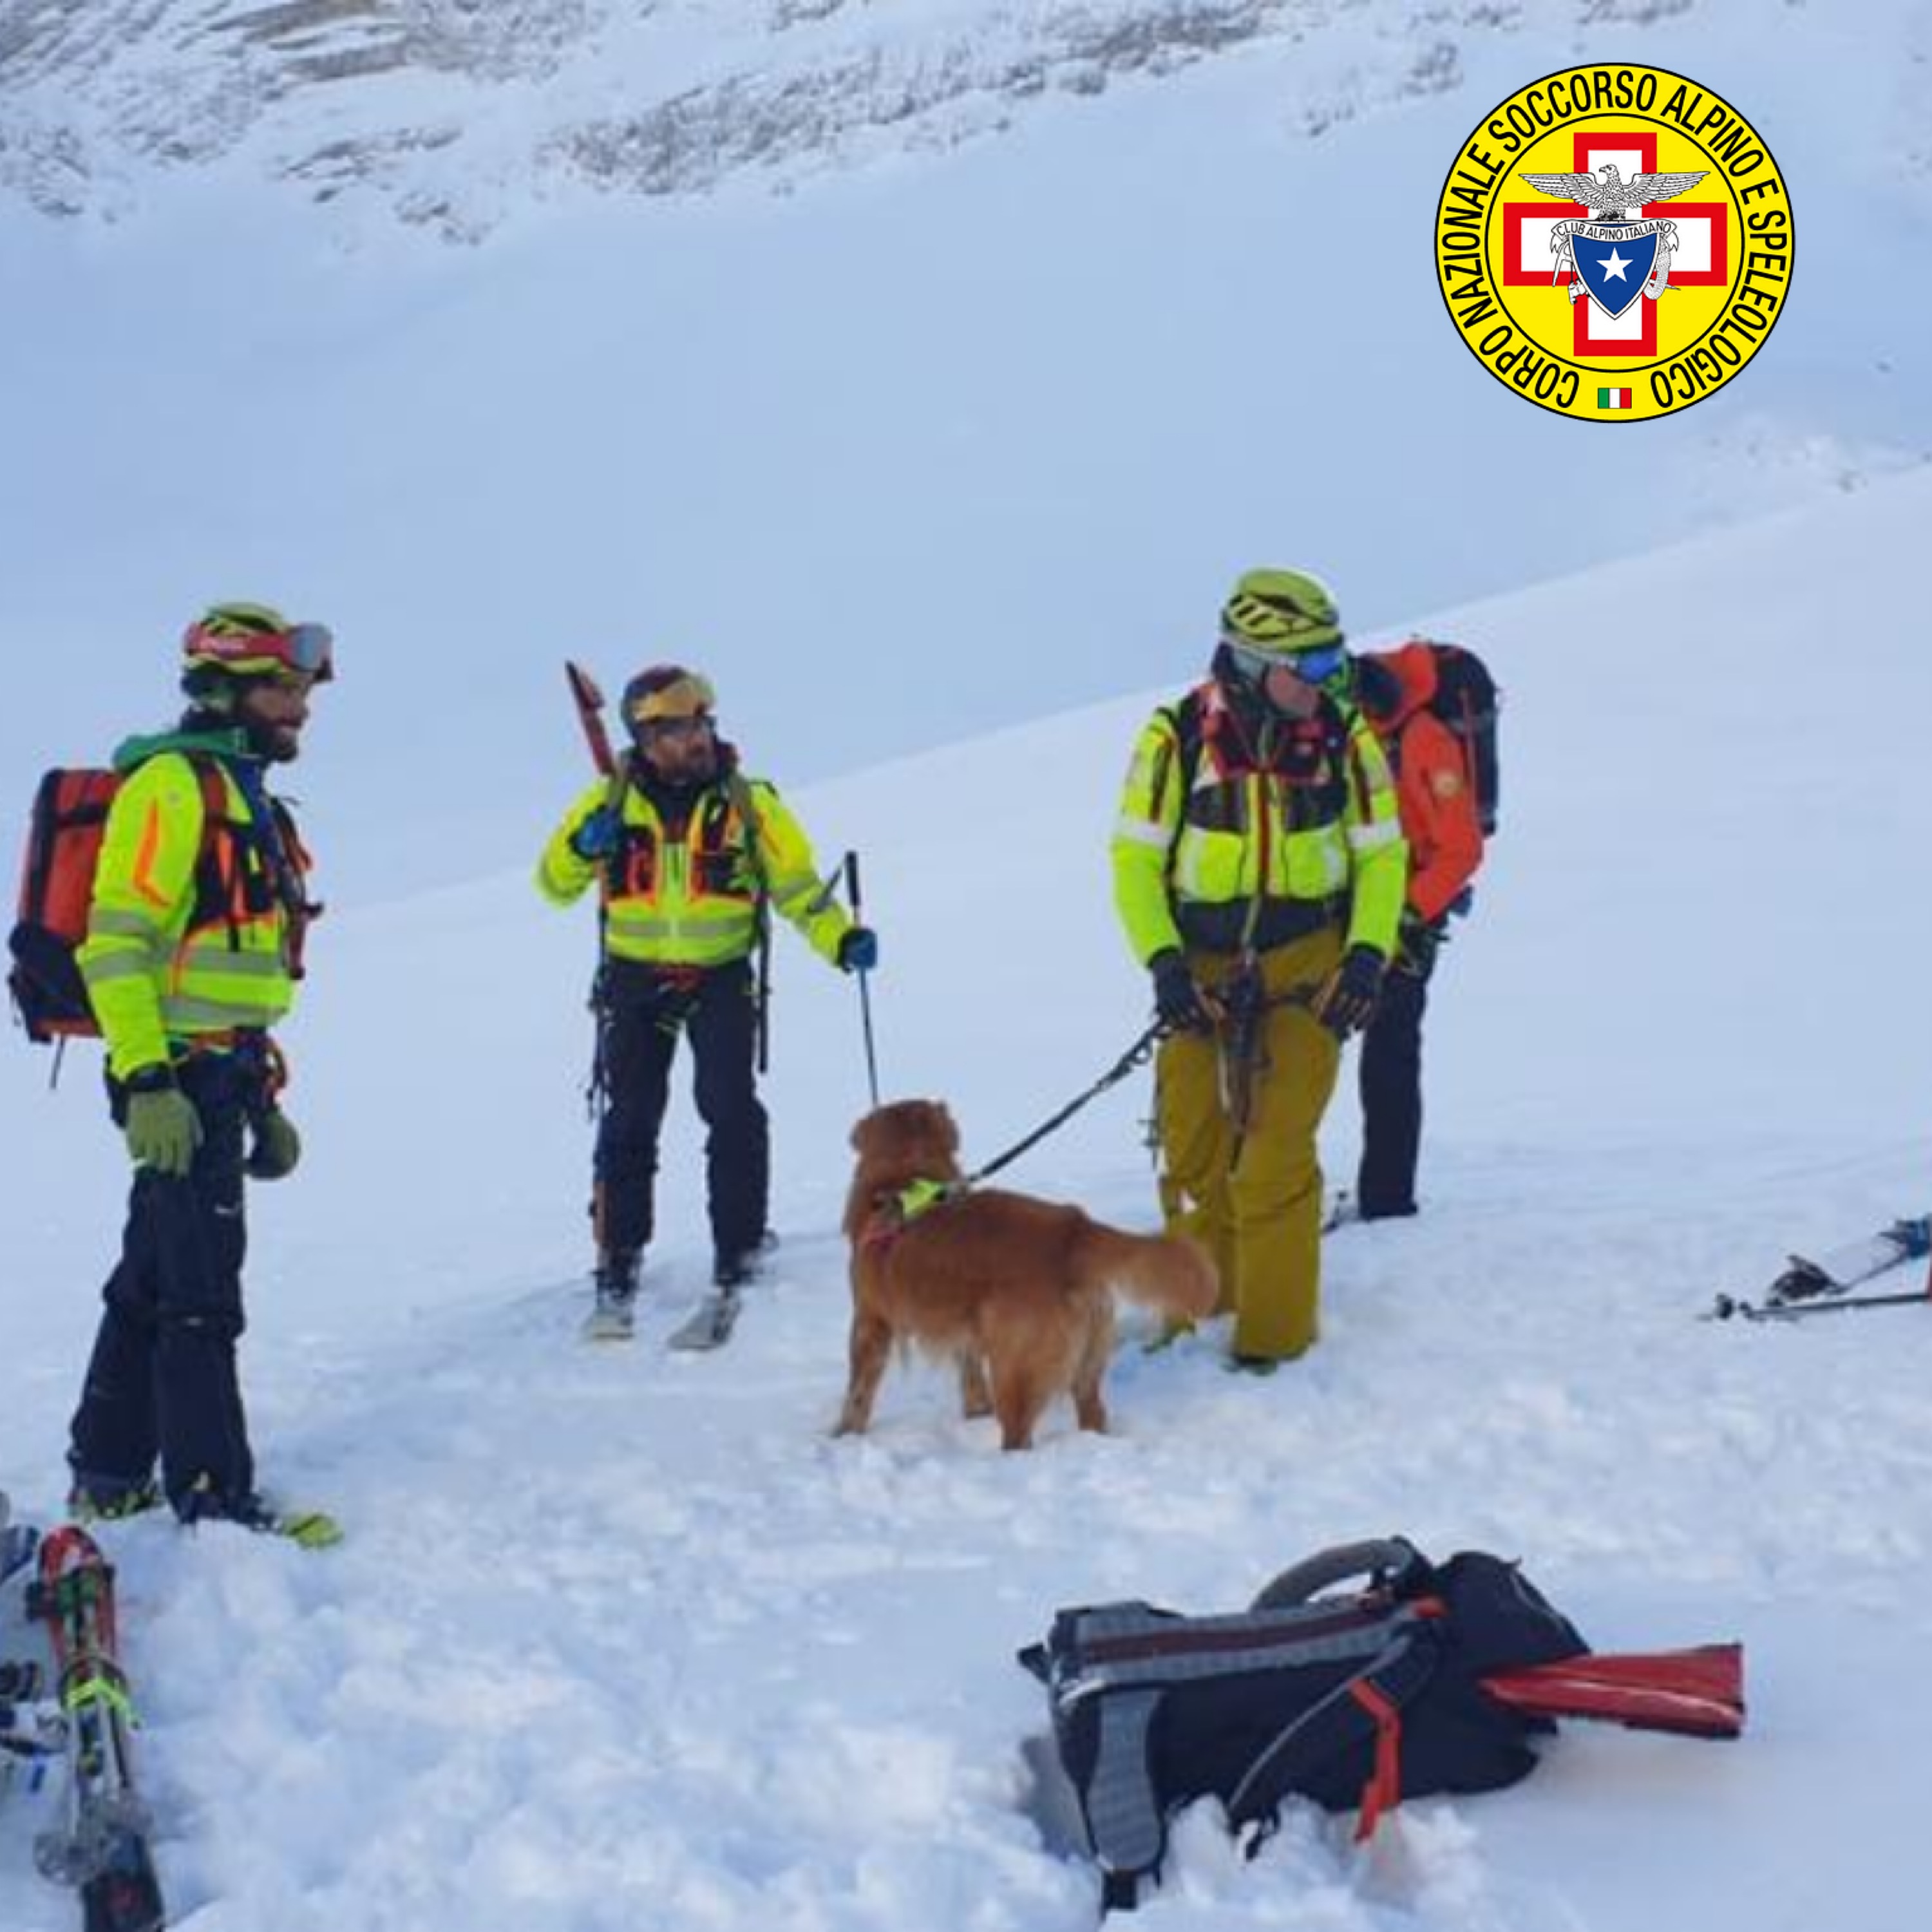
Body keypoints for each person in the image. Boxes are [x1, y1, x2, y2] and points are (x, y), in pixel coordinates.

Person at [66, 603, 339, 1546]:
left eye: (303, 691)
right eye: (283, 687)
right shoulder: (174, 788)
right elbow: (117, 944)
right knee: (201, 1295)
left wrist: (260, 1094)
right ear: (224, 687)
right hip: (174, 1077)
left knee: (153, 1272)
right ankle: (215, 1501)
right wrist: (147, 1079)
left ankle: (106, 1473)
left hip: (221, 1073)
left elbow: (232, 970)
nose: (300, 707)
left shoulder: (244, 792)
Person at [1111, 569, 1407, 1367]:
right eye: (1309, 665)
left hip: (1311, 963)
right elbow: (1134, 863)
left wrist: (1369, 954)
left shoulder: (1348, 739)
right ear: (1250, 662)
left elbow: (1383, 858)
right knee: (1196, 1149)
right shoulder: (1174, 739)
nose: (1328, 680)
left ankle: (1272, 1347)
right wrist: (1166, 966)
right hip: (1200, 969)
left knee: (1275, 1157)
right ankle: (1196, 1316)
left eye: (1332, 661)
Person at [538, 664, 875, 1323]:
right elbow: (552, 883)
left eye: (700, 724)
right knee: (630, 1118)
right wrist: (583, 847)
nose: (695, 738)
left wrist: (841, 940)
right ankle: (620, 1254)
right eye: (676, 729)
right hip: (634, 981)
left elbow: (798, 890)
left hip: (721, 977)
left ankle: (740, 1247)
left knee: (730, 1109)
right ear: (645, 736)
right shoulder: (607, 801)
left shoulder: (750, 803)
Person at [1336, 644, 1486, 1222]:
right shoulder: (1356, 729)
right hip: (1348, 906)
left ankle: (1388, 1199)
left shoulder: (1423, 738)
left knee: (1390, 1051)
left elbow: (1461, 848)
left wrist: (1402, 918)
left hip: (1407, 918)